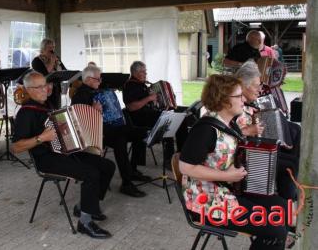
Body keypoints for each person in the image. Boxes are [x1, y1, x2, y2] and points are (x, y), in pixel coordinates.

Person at [180, 74, 290, 250]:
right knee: (275, 231)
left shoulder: (230, 123)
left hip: (230, 190)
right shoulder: (205, 130)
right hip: (206, 201)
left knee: (283, 208)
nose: (243, 100)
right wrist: (226, 175)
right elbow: (185, 166)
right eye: (238, 96)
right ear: (223, 100)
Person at [11, 71, 115, 239]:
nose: (46, 89)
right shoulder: (26, 113)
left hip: (65, 152)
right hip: (46, 159)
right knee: (91, 174)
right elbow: (16, 147)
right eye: (40, 87)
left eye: (46, 85)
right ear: (29, 90)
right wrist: (41, 138)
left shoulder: (47, 105)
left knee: (107, 166)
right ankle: (85, 223)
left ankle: (85, 206)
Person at [71, 66, 150, 197]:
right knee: (121, 139)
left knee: (140, 133)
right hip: (96, 135)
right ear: (89, 79)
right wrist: (93, 111)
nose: (100, 81)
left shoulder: (98, 90)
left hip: (111, 129)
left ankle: (133, 170)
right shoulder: (80, 95)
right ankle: (127, 183)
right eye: (98, 79)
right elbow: (80, 123)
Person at [234, 60, 300, 200]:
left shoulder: (245, 101)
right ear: (242, 84)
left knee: (295, 132)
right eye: (257, 86)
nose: (260, 90)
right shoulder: (232, 103)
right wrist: (247, 131)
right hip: (245, 156)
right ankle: (286, 200)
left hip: (254, 149)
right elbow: (223, 130)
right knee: (290, 165)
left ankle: (287, 196)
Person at [122, 61, 168, 165]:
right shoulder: (130, 86)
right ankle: (170, 158)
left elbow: (147, 102)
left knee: (171, 120)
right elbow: (131, 107)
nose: (146, 74)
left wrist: (156, 101)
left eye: (145, 71)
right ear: (135, 72)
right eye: (143, 72)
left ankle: (172, 156)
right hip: (138, 119)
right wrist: (149, 98)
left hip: (147, 115)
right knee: (167, 122)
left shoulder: (142, 85)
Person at [31, 38, 66, 109]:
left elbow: (64, 70)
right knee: (47, 110)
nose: (52, 50)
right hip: (43, 91)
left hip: (56, 90)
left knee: (56, 110)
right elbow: (45, 75)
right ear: (43, 49)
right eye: (49, 47)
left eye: (53, 47)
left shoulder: (56, 58)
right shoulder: (37, 61)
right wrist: (52, 62)